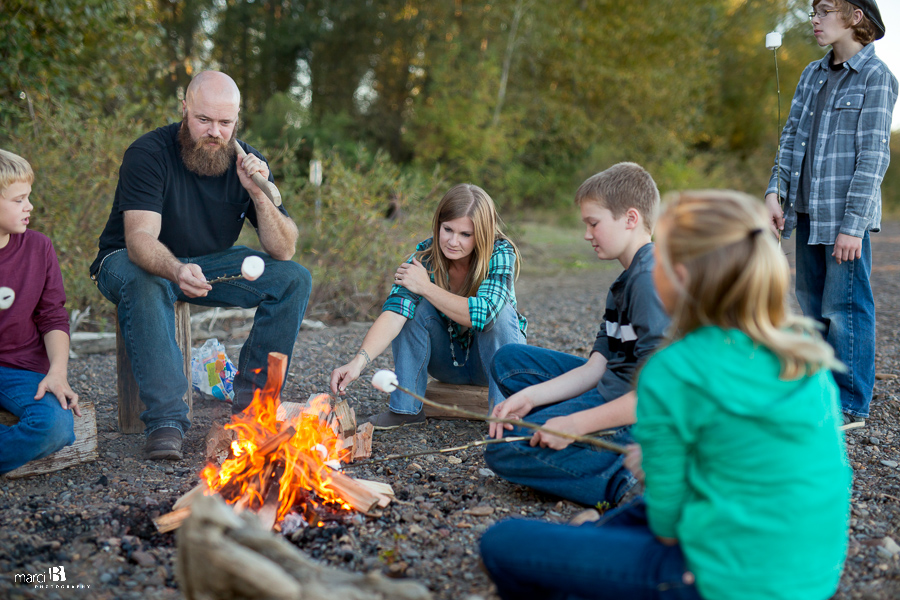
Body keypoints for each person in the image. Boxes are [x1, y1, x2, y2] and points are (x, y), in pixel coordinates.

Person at [480, 190, 851, 600]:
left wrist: (648, 469)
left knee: (503, 541)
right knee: (613, 525)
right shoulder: (804, 352)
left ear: (682, 276)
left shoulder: (674, 370)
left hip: (721, 581)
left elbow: (667, 522)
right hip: (812, 578)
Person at [90, 71, 312, 461]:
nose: (215, 131)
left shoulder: (246, 162)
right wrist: (175, 270)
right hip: (128, 261)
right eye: (204, 120)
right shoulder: (149, 153)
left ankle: (253, 412)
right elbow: (140, 239)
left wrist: (257, 195)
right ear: (185, 110)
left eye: (225, 123)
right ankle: (166, 421)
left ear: (237, 120)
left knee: (294, 279)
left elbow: (285, 249)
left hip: (205, 265)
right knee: (148, 282)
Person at [483, 162, 668, 507]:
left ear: (630, 219)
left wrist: (575, 423)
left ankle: (624, 479)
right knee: (509, 362)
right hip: (611, 384)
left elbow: (662, 394)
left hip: (639, 410)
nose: (587, 234)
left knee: (502, 450)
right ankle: (579, 437)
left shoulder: (650, 279)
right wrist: (532, 398)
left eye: (593, 223)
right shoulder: (622, 283)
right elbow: (595, 368)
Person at [765, 0, 897, 426]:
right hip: (806, 213)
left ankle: (850, 404)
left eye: (823, 10)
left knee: (845, 309)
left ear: (855, 16)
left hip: (844, 224)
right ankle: (818, 392)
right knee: (812, 306)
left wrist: (853, 226)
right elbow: (791, 138)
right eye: (813, 12)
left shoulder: (878, 78)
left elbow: (873, 157)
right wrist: (775, 191)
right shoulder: (811, 74)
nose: (815, 20)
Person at [330, 183, 526, 429]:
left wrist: (426, 287)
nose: (454, 241)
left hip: (495, 364)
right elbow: (395, 312)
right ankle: (406, 410)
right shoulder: (425, 256)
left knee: (501, 312)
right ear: (438, 225)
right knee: (414, 306)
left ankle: (504, 416)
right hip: (448, 365)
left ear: (483, 233)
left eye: (466, 234)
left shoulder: (500, 252)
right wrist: (357, 363)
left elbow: (485, 316)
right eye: (448, 230)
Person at [0, 149, 81, 474]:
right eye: (19, 200)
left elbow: (53, 317)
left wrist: (57, 372)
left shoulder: (38, 248)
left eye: (28, 197)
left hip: (21, 368)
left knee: (55, 427)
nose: (29, 207)